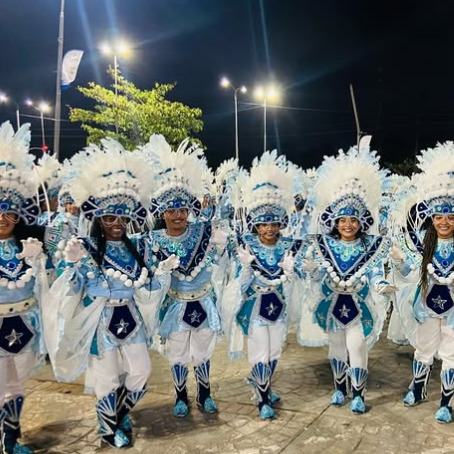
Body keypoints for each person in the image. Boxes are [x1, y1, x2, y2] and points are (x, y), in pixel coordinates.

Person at [45, 139, 177, 449]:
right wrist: (73, 265)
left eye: (122, 218)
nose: (117, 224)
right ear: (99, 219)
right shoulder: (86, 248)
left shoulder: (139, 247)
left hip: (130, 318)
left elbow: (148, 287)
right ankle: (110, 428)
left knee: (141, 372)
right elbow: (74, 289)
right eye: (109, 218)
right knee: (106, 378)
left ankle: (119, 412)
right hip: (100, 321)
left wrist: (164, 271)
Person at [390, 142, 454, 424]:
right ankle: (418, 388)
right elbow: (409, 272)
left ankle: (446, 403)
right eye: (438, 217)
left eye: (450, 217)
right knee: (424, 349)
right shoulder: (420, 241)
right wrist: (399, 262)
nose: (444, 222)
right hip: (426, 303)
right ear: (431, 218)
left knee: (451, 355)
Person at [299, 146, 394, 414]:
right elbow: (317, 274)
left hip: (358, 305)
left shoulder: (371, 246)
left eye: (353, 220)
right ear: (335, 222)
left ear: (361, 222)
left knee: (357, 347)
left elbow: (375, 272)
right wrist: (310, 269)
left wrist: (381, 285)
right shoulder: (323, 245)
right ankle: (340, 388)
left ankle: (359, 393)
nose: (348, 225)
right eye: (343, 220)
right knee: (337, 349)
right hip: (332, 305)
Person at [143, 135, 225, 417]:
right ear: (161, 212)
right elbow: (147, 276)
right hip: (174, 306)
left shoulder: (203, 232)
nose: (177, 215)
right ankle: (181, 396)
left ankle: (205, 394)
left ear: (189, 209)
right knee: (177, 354)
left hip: (202, 303)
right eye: (171, 210)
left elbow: (223, 251)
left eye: (182, 209)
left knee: (203, 352)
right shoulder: (151, 240)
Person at [222, 151, 301, 420]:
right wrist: (246, 266)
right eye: (263, 223)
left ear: (281, 224)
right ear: (255, 224)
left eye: (273, 223)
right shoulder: (247, 246)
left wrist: (295, 270)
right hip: (254, 306)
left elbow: (294, 278)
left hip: (277, 305)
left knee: (275, 350)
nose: (268, 228)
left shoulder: (288, 246)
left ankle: (262, 383)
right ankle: (263, 398)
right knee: (259, 352)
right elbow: (241, 284)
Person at [0, 122, 49, 454]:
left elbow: (43, 286)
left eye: (10, 212)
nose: (4, 219)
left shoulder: (25, 246)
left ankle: (11, 438)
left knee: (16, 387)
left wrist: (38, 260)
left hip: (23, 325)